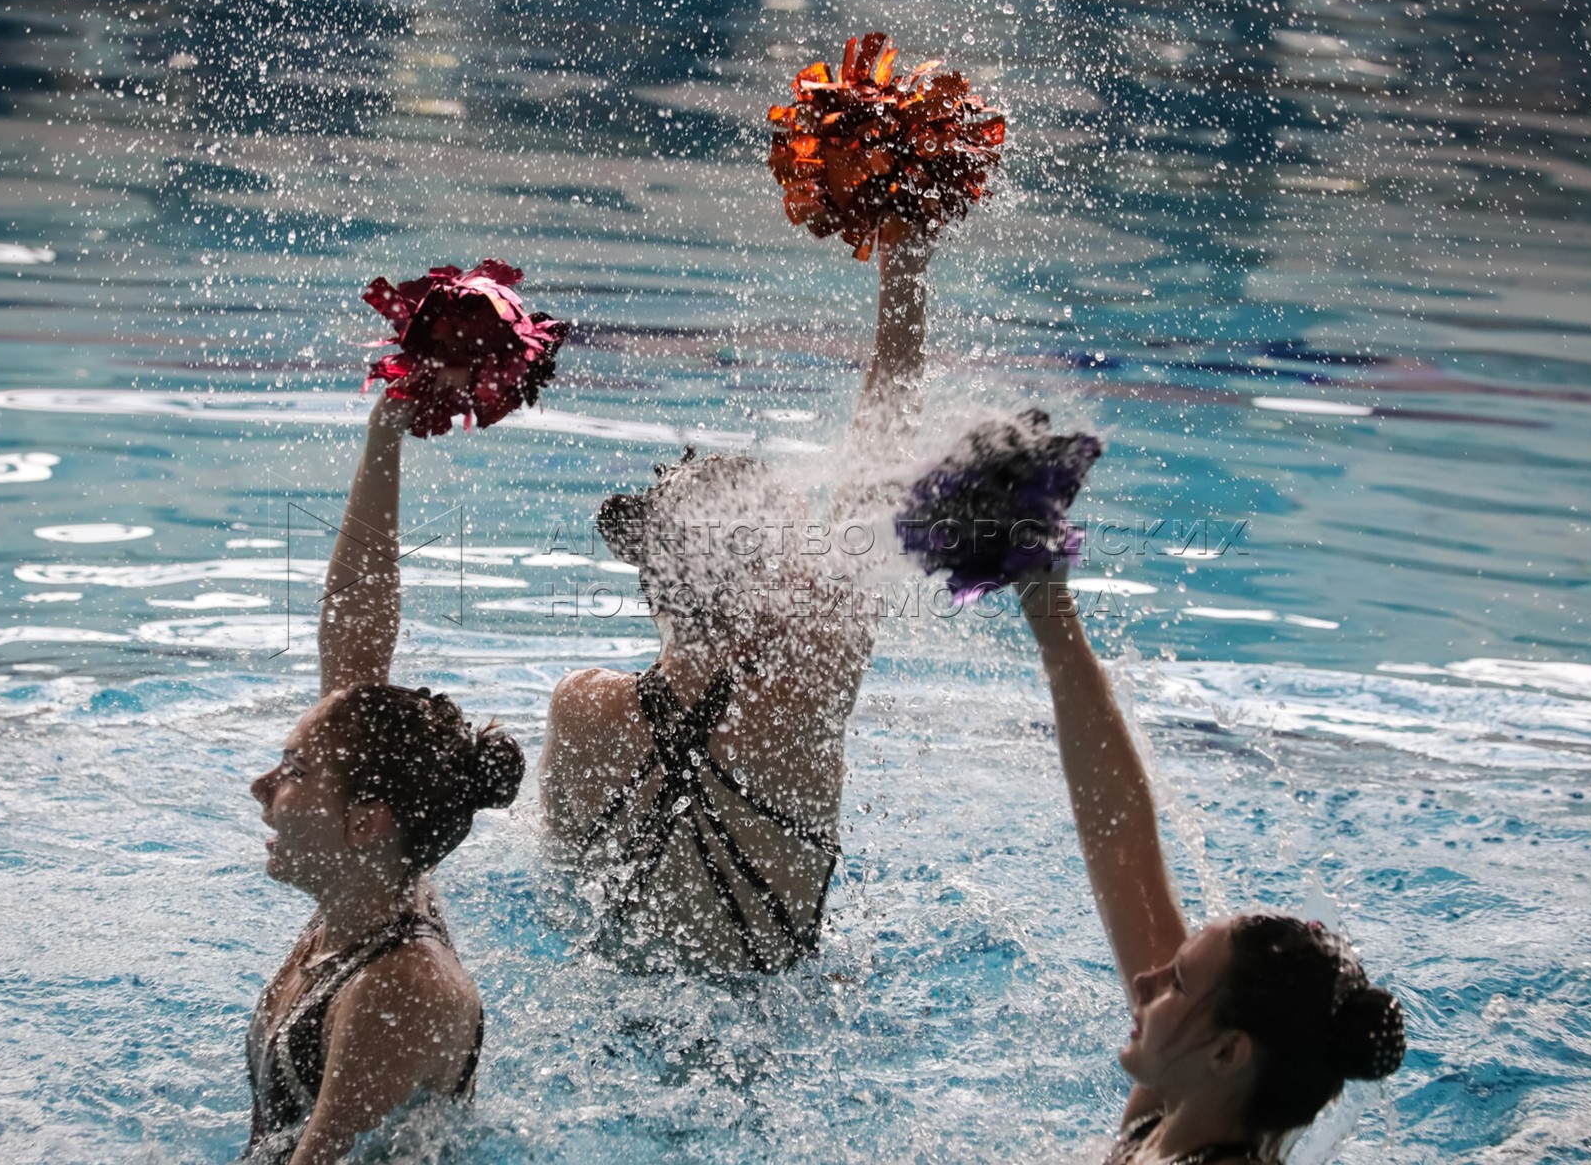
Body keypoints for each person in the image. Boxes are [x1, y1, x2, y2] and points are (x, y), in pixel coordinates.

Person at [538, 241, 935, 972]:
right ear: (768, 585)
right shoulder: (808, 689)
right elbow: (883, 460)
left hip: (609, 1005)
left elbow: (556, 899)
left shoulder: (578, 709)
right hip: (772, 1022)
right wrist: (904, 272)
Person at [1016, 570, 1406, 1162]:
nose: (1144, 982)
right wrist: (1051, 615)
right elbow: (1121, 849)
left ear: (1227, 1052)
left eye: (1176, 982)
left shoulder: (1183, 1116)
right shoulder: (1172, 1111)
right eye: (1173, 970)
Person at [244, 386, 524, 1164]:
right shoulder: (366, 888)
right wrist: (387, 427)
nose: (262, 787)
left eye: (294, 770)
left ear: (368, 819)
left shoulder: (400, 992)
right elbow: (355, 633)